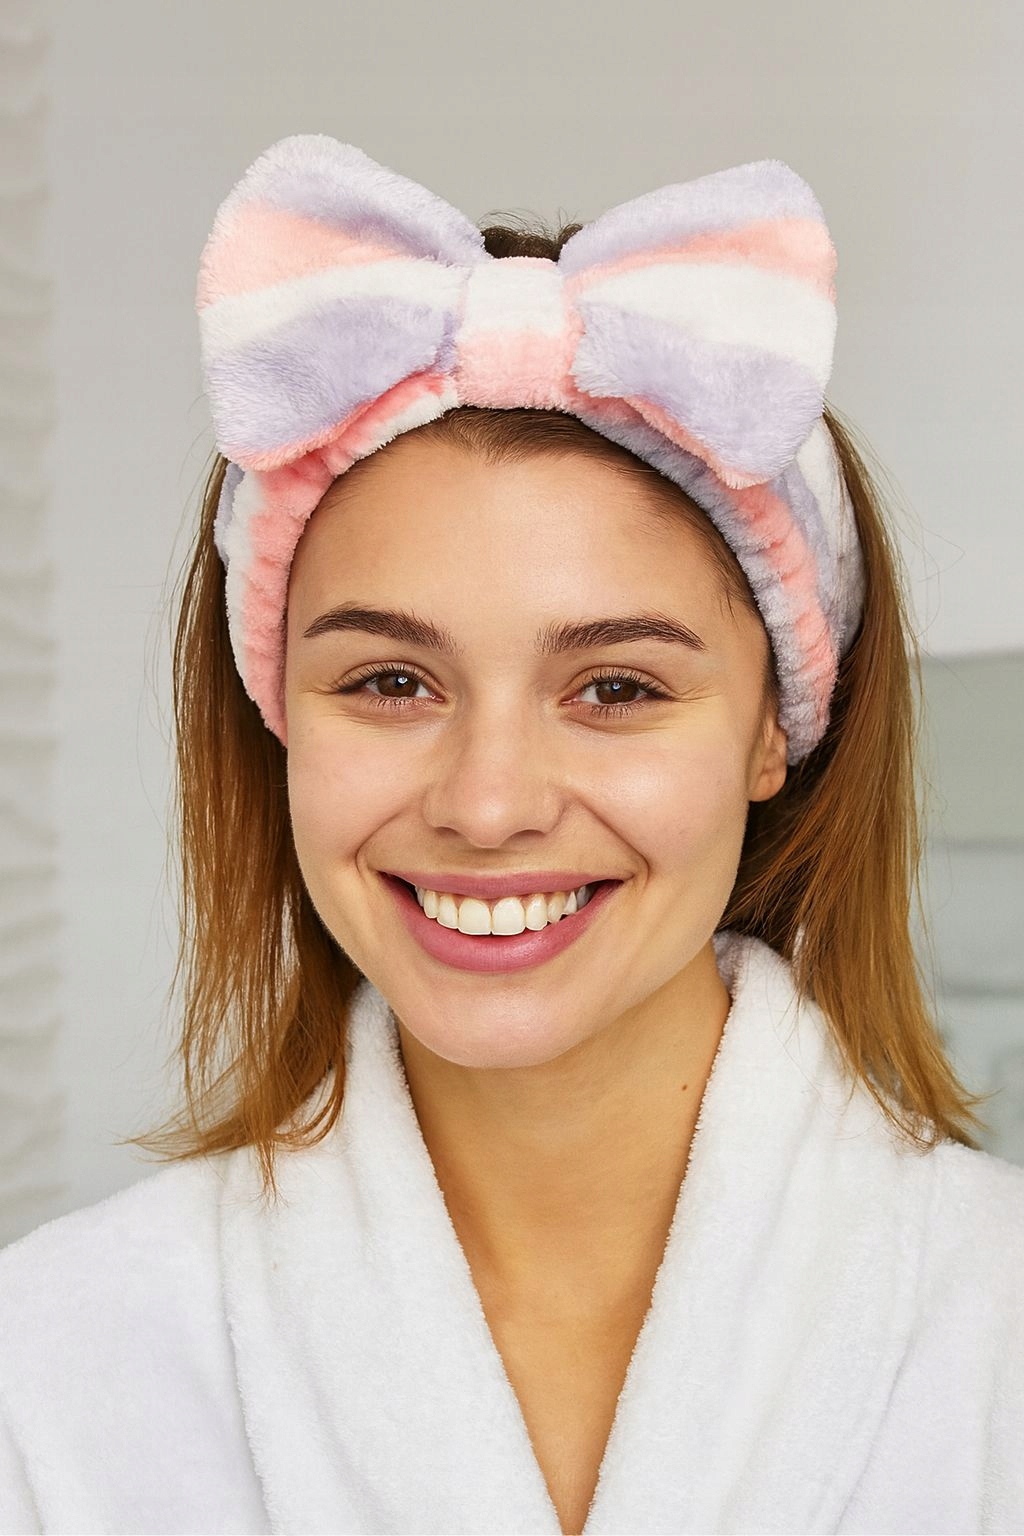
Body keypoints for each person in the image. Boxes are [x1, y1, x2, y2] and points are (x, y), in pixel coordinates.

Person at [0, 134, 1021, 1536]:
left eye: (617, 689)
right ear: (278, 717)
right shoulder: (50, 1372)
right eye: (390, 683)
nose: (487, 806)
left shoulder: (994, 1328)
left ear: (774, 729)